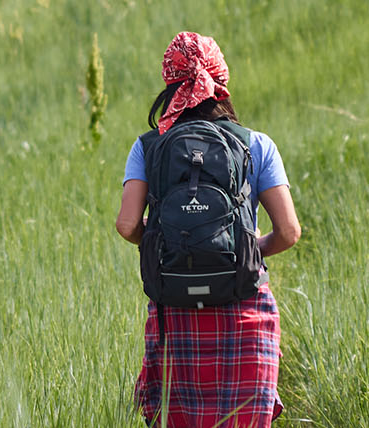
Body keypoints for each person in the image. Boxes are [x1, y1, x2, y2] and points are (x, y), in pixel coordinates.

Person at [115, 32, 302, 427]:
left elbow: (128, 224)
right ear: (220, 80)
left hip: (175, 312)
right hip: (243, 309)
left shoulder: (148, 147)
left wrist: (166, 242)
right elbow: (288, 232)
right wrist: (242, 250)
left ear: (169, 81)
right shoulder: (257, 144)